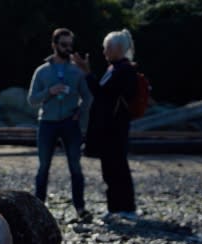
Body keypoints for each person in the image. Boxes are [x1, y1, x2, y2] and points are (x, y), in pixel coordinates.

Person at [28, 28, 93, 222]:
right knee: (43, 167)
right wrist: (50, 91)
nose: (68, 48)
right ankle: (39, 208)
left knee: (75, 167)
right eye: (64, 44)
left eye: (70, 45)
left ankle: (80, 208)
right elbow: (32, 99)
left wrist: (80, 113)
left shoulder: (77, 71)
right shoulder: (42, 71)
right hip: (47, 123)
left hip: (69, 124)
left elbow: (89, 97)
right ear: (54, 45)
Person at [72, 29, 138, 219]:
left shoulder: (125, 70)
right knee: (110, 168)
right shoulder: (115, 68)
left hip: (115, 129)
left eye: (106, 47)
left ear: (118, 48)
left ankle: (126, 208)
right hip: (109, 129)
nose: (104, 52)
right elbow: (103, 95)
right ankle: (116, 207)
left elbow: (103, 96)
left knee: (117, 168)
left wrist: (87, 73)